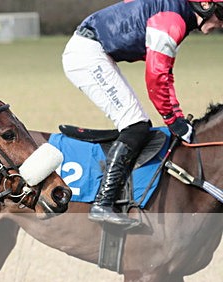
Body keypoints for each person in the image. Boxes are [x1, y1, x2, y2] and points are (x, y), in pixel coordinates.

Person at [62, 0, 223, 226]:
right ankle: (102, 203)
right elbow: (157, 76)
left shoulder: (179, 15)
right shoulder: (173, 21)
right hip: (86, 54)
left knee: (137, 123)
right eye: (221, 14)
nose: (221, 23)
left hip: (93, 50)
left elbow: (164, 73)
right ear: (204, 6)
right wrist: (173, 119)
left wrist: (174, 115)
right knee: (135, 124)